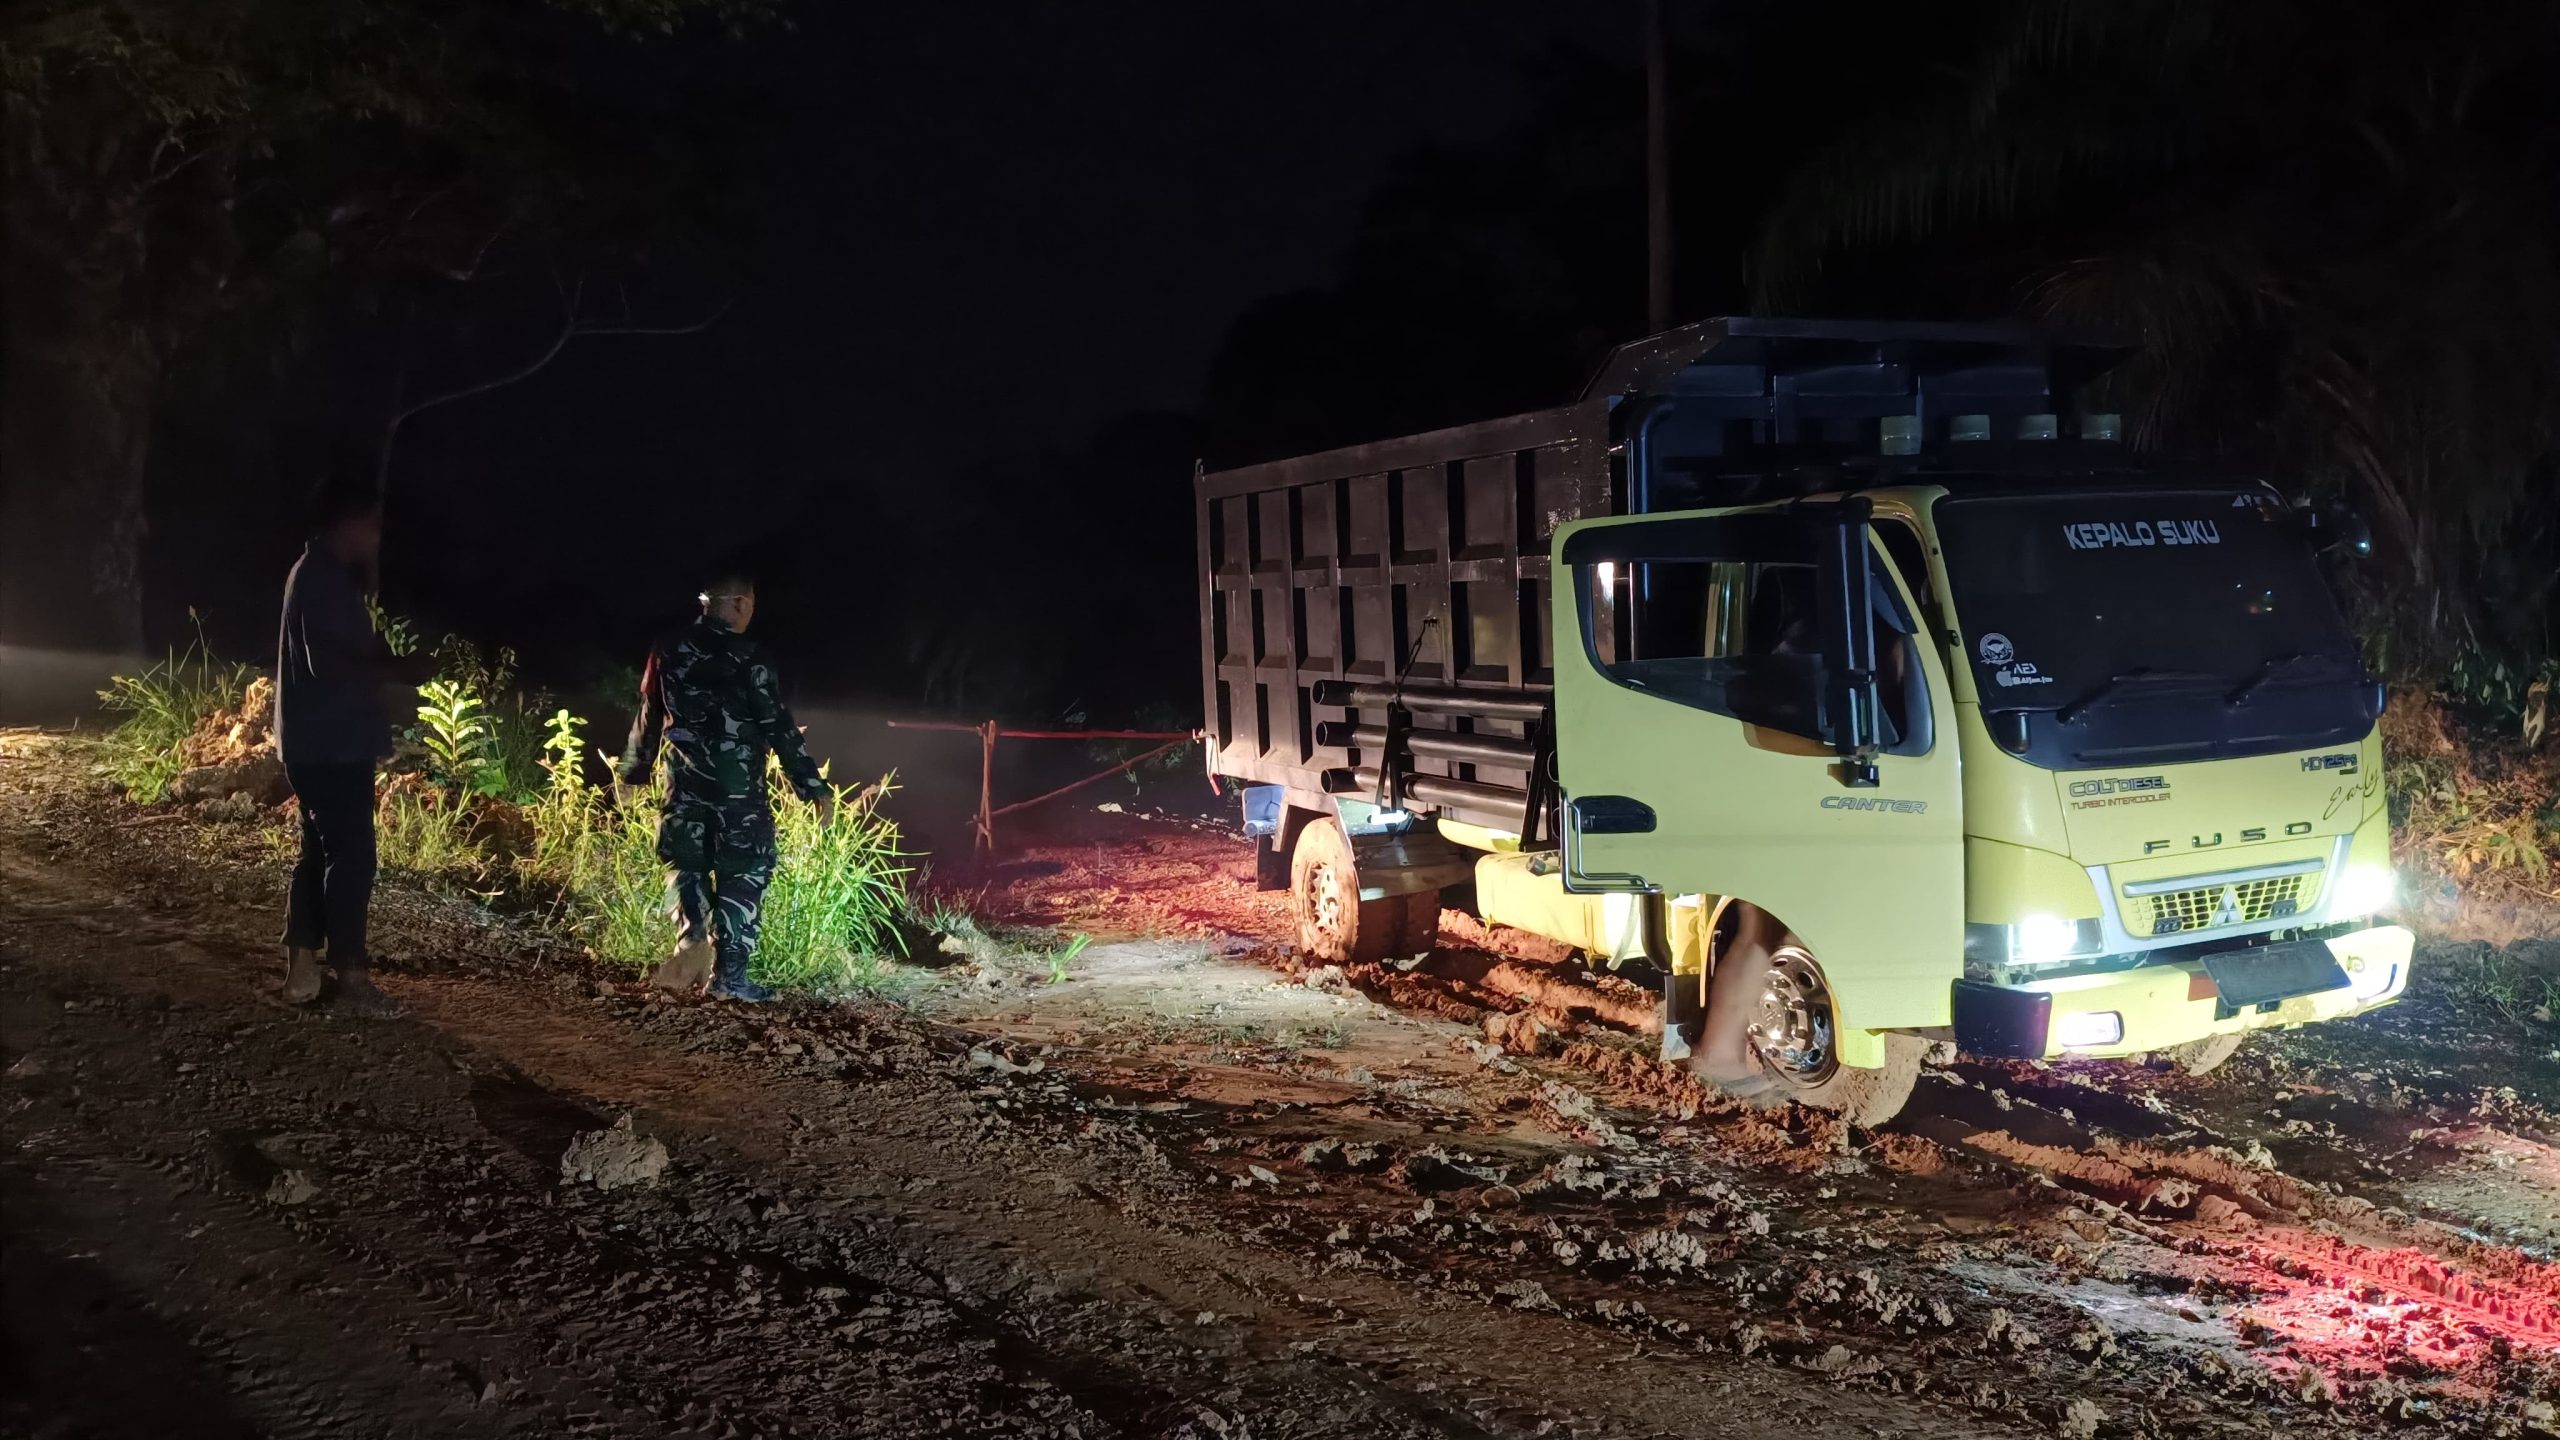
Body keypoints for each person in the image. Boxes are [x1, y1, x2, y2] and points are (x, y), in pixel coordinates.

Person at [618, 574, 831, 1003]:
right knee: (744, 873)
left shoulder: (668, 648)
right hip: (738, 795)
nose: (752, 612)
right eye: (750, 603)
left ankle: (691, 939)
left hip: (684, 786)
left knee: (687, 864)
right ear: (736, 603)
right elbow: (778, 726)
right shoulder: (750, 657)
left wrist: (632, 773)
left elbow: (650, 714)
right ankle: (731, 979)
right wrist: (811, 786)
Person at [274, 476, 405, 1017]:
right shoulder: (323, 579)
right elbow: (328, 665)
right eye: (371, 523)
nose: (377, 534)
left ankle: (301, 970)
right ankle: (351, 980)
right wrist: (401, 668)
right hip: (331, 744)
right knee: (353, 857)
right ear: (346, 523)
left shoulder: (316, 575)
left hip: (313, 741)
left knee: (318, 852)